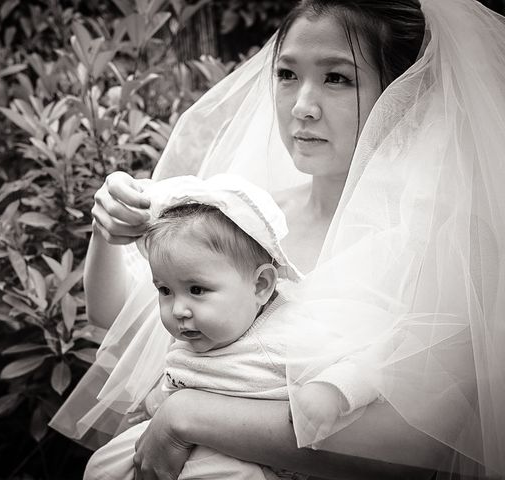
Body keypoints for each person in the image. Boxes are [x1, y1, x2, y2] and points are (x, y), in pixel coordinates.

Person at [50, 0, 505, 478]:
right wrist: (107, 233)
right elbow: (120, 319)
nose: (302, 107)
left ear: (403, 93)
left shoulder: (443, 244)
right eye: (287, 74)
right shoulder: (249, 217)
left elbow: (422, 445)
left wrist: (186, 416)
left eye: (337, 78)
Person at [83, 174, 386, 480]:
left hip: (246, 459)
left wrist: (329, 392)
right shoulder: (199, 334)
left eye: (197, 290)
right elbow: (183, 377)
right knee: (100, 466)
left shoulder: (284, 333)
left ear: (261, 285)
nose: (177, 309)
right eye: (164, 290)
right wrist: (157, 400)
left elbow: (366, 360)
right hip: (186, 446)